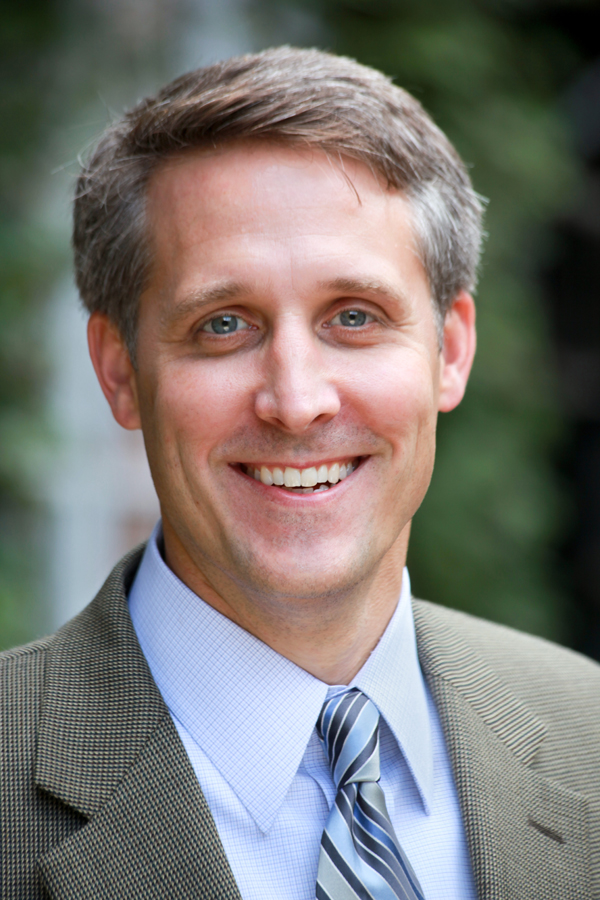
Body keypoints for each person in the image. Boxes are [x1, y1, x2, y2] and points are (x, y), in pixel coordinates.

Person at [2, 46, 599, 900]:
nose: (296, 401)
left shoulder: (588, 732)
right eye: (223, 324)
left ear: (451, 350)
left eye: (354, 316)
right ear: (120, 371)